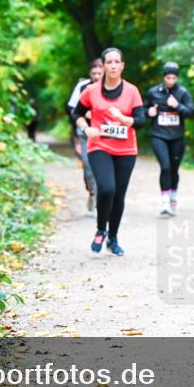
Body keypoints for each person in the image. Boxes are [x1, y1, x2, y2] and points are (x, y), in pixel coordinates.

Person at [72, 48, 145, 256]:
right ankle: (100, 230)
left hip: (126, 149)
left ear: (122, 66)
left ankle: (113, 238)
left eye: (116, 62)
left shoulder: (132, 91)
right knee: (106, 189)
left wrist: (123, 119)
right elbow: (76, 113)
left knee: (119, 195)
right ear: (103, 66)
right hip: (99, 146)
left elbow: (140, 121)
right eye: (109, 62)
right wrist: (85, 128)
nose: (113, 65)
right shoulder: (91, 91)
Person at [145, 62, 194, 217]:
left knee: (174, 168)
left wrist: (177, 105)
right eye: (168, 77)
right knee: (165, 167)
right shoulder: (153, 92)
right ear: (163, 77)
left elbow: (191, 112)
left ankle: (173, 196)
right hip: (158, 135)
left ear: (177, 78)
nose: (171, 81)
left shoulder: (182, 92)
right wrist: (149, 112)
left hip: (177, 137)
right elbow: (142, 110)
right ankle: (165, 201)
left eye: (174, 78)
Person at [67, 59, 104, 211]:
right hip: (85, 133)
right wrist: (84, 116)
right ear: (90, 73)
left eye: (99, 73)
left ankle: (101, 198)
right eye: (94, 73)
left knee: (103, 167)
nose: (96, 76)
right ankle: (92, 192)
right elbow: (72, 110)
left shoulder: (111, 87)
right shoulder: (82, 87)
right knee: (88, 166)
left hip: (105, 134)